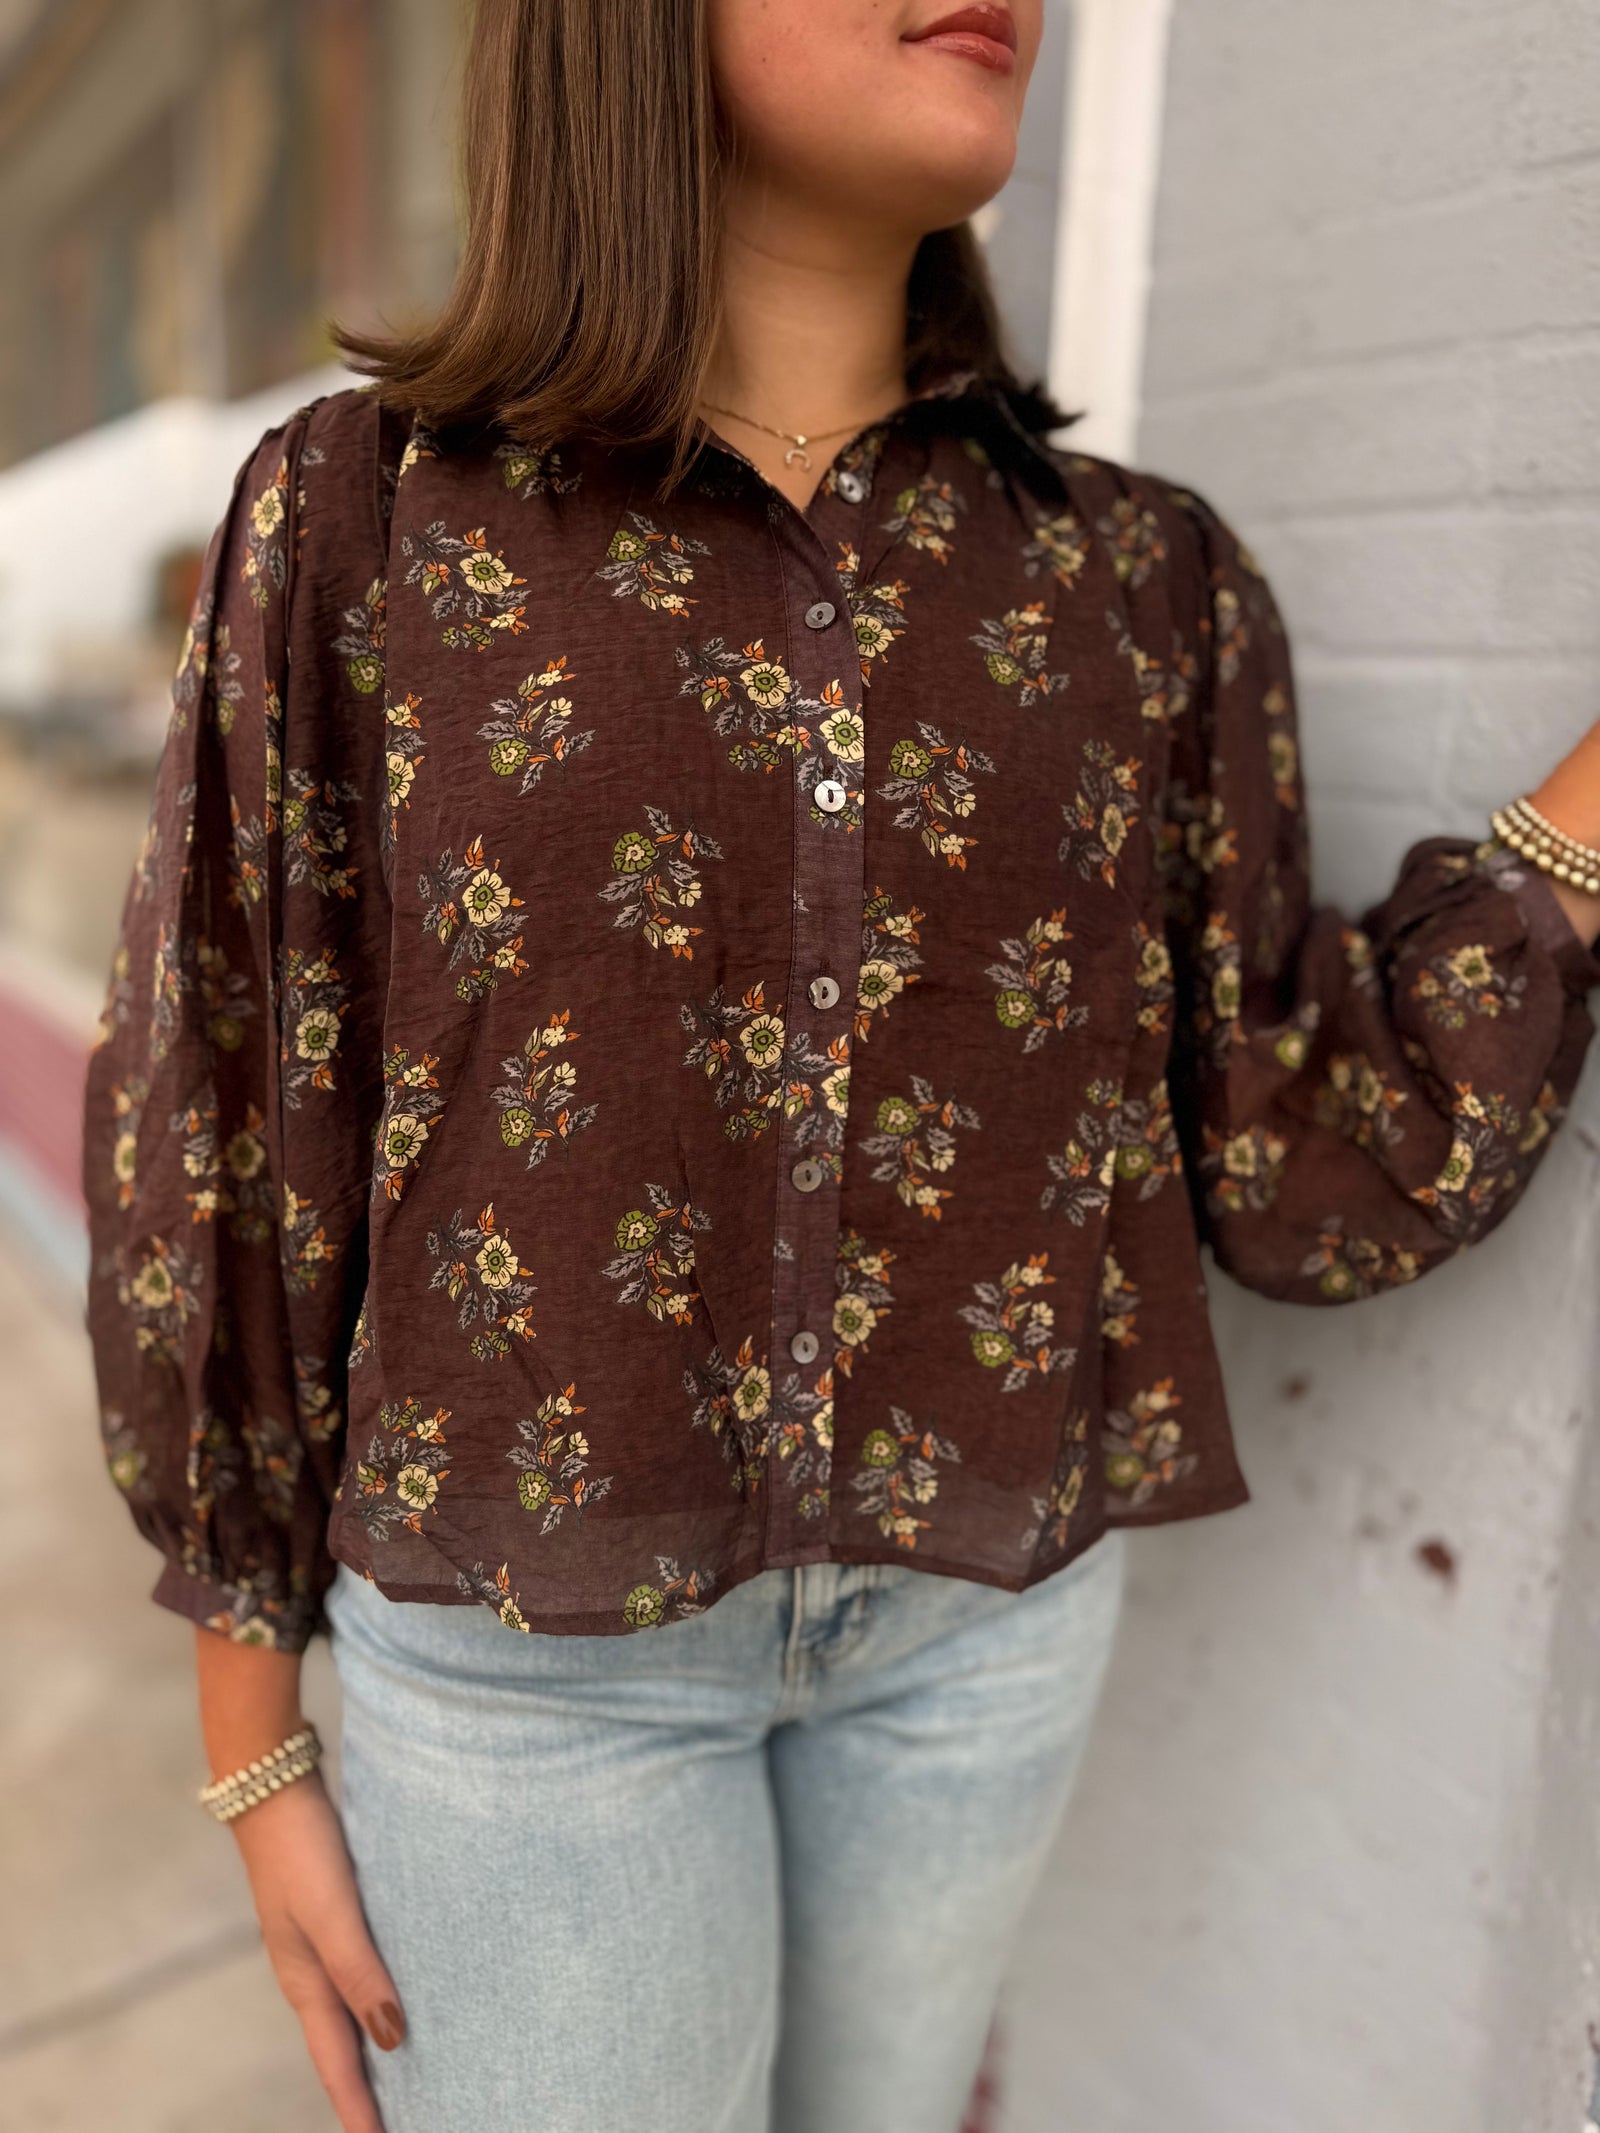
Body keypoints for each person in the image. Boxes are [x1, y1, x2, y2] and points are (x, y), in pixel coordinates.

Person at [80, 3, 1600, 2129]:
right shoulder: (370, 520)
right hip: (531, 1667)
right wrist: (250, 1730)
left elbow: (1276, 1141)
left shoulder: (1143, 584)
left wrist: (1567, 840)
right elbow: (230, 1109)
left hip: (984, 1634)